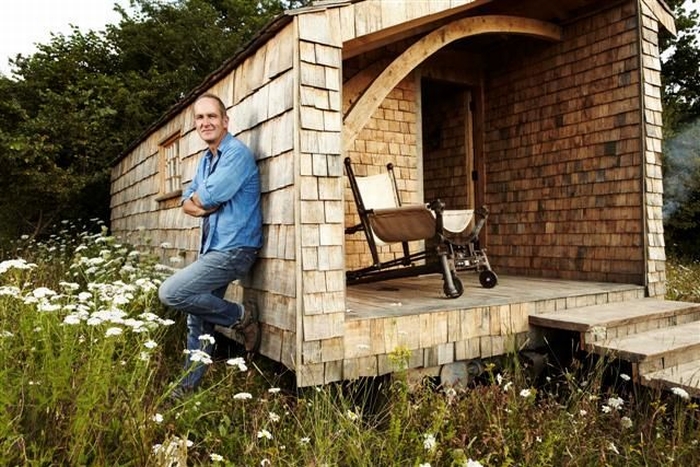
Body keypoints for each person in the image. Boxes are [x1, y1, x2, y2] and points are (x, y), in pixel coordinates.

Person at [158, 92, 263, 396]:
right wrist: (200, 203)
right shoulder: (206, 161)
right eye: (200, 118)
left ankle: (240, 317)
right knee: (197, 320)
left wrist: (202, 202)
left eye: (212, 116)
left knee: (172, 292)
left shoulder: (236, 155)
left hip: (236, 248)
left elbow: (203, 199)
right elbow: (187, 201)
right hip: (213, 249)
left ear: (225, 121)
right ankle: (187, 388)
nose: (206, 122)